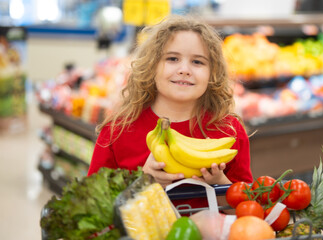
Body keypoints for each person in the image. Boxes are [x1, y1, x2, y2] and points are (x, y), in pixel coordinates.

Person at [87, 15, 253, 211]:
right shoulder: (117, 130)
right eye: (172, 59)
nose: (184, 69)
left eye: (198, 62)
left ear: (212, 73)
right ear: (152, 66)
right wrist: (142, 183)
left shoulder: (229, 131)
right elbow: (94, 203)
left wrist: (220, 183)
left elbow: (245, 209)